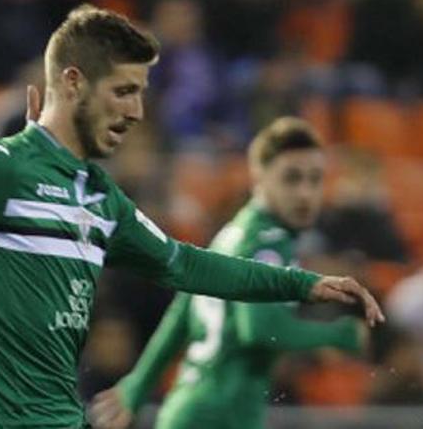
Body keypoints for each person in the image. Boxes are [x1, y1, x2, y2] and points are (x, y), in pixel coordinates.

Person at [0, 5, 384, 428]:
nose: (137, 111)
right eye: (124, 91)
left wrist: (309, 284)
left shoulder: (100, 196)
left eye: (141, 93)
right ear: (73, 82)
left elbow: (186, 266)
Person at [90, 117, 370, 429]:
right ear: (259, 178)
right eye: (291, 178)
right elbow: (260, 329)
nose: (305, 193)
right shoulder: (269, 242)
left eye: (314, 179)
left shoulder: (231, 234)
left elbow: (181, 313)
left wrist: (139, 384)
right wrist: (336, 334)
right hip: (222, 413)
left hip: (191, 408)